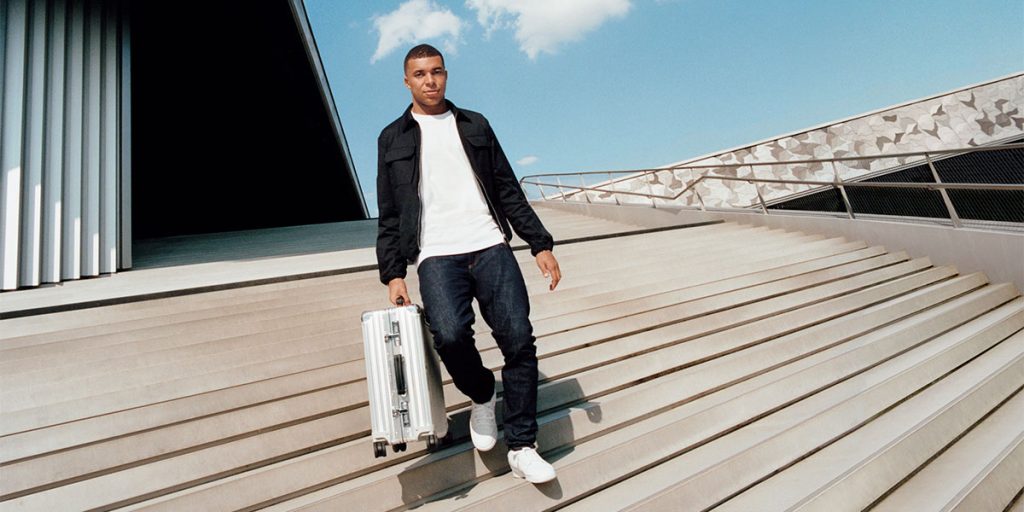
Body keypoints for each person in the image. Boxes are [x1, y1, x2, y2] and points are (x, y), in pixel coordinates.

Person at [375, 43, 562, 484]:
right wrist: (394, 273)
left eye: (437, 71)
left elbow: (507, 186)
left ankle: (522, 445)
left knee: (518, 339)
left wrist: (539, 243)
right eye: (420, 74)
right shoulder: (392, 137)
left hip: (489, 243)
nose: (430, 81)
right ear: (406, 81)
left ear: (445, 74)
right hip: (436, 253)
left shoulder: (475, 124)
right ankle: (481, 394)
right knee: (451, 335)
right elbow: (389, 213)